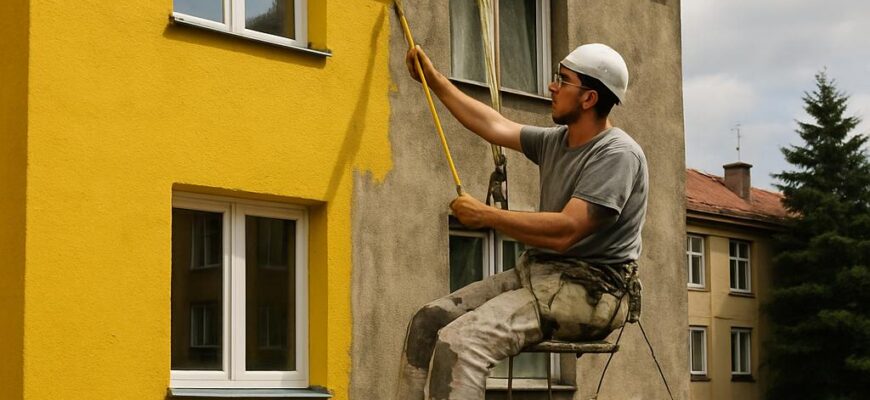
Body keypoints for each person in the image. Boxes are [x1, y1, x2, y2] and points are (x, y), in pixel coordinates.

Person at [396, 43, 648, 400]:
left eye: (563, 80)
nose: (552, 87)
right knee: (427, 323)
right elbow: (492, 123)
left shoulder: (617, 154)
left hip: (592, 292)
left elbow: (566, 231)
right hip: (541, 275)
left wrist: (487, 215)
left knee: (462, 343)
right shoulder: (556, 141)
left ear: (589, 98)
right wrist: (433, 80)